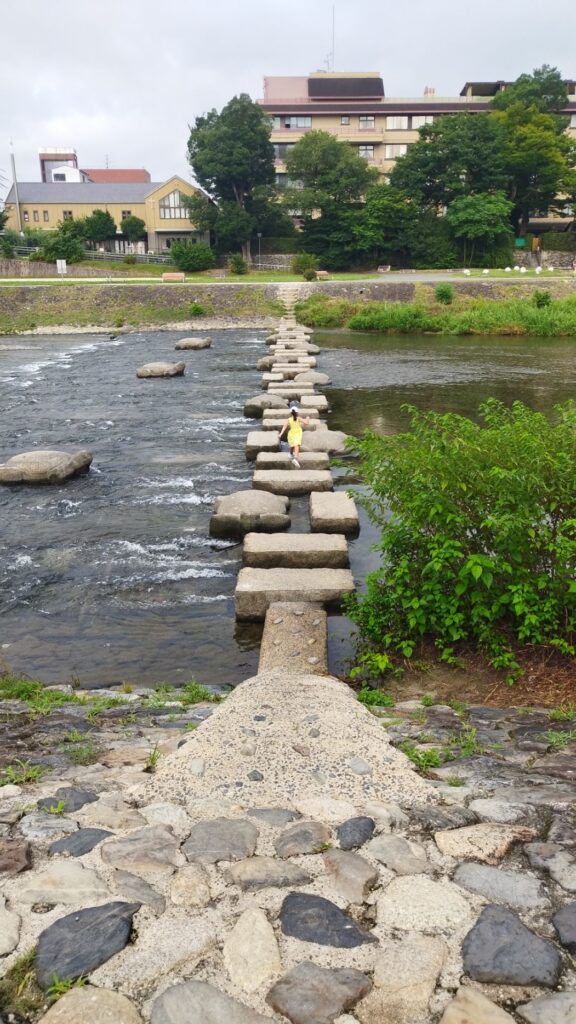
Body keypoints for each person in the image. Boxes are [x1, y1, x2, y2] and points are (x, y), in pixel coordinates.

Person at [279, 403, 309, 468]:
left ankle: (290, 454)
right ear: (297, 412)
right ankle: (295, 458)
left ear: (291, 413)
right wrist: (307, 418)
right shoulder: (299, 418)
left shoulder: (289, 419)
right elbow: (306, 423)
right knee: (297, 445)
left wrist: (281, 434)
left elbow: (284, 426)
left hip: (291, 433)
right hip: (298, 433)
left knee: (293, 445)